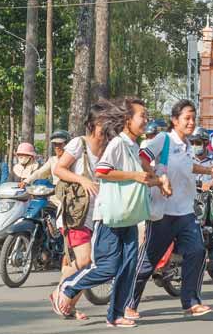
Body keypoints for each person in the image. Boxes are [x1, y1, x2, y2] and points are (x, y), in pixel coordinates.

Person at [54, 98, 164, 328]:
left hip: (129, 216)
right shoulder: (118, 144)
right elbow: (103, 171)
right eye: (141, 116)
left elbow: (140, 177)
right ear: (127, 120)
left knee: (128, 267)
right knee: (107, 266)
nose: (146, 120)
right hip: (109, 216)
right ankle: (68, 286)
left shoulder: (133, 146)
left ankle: (115, 315)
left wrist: (160, 182)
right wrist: (134, 176)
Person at [126, 99, 213, 320]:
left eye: (193, 118)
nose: (191, 122)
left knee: (197, 251)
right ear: (174, 120)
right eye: (187, 118)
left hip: (185, 212)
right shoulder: (163, 140)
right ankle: (128, 303)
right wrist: (158, 179)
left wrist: (208, 170)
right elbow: (142, 158)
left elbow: (187, 166)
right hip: (162, 213)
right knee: (148, 261)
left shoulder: (186, 146)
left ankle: (191, 302)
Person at [53, 105, 108, 322]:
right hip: (76, 213)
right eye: (103, 122)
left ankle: (68, 304)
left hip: (99, 213)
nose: (106, 127)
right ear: (92, 125)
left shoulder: (108, 147)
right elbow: (59, 169)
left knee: (87, 263)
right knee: (84, 261)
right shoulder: (79, 144)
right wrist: (82, 179)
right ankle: (60, 294)